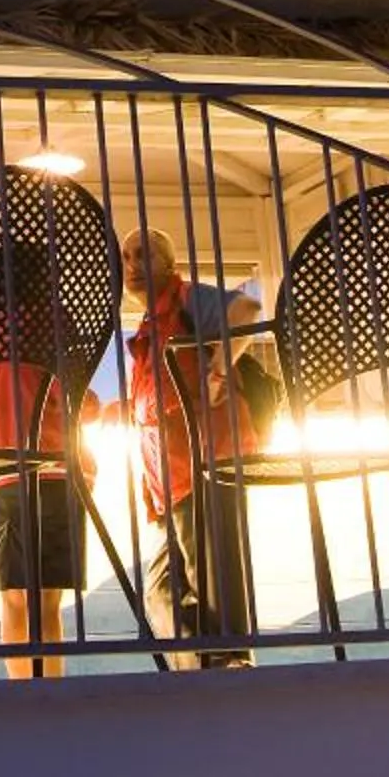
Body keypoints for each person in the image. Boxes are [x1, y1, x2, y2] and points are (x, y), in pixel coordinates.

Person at [0, 235, 94, 679]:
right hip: (54, 471)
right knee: (47, 599)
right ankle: (50, 688)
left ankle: (21, 689)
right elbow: (69, 401)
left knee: (13, 597)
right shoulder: (54, 329)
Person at [121, 227, 261, 668]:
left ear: (169, 263)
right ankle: (206, 668)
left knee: (215, 584)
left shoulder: (185, 300)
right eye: (125, 258)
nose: (132, 267)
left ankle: (228, 667)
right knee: (162, 590)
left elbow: (247, 309)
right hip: (173, 481)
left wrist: (218, 374)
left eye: (144, 255)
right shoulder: (149, 328)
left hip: (207, 463)